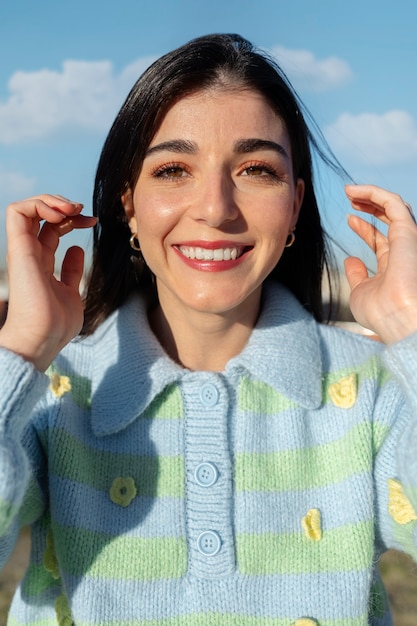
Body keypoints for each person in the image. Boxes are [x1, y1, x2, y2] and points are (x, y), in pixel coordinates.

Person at [1, 33, 417, 626]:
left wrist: (410, 325)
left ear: (295, 205)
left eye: (256, 169)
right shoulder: (52, 393)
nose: (216, 207)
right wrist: (21, 351)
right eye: (173, 169)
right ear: (129, 205)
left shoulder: (372, 389)